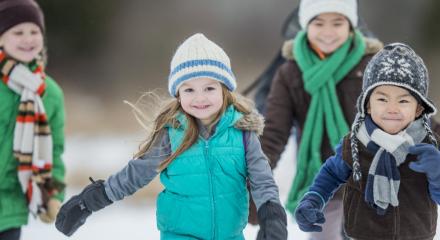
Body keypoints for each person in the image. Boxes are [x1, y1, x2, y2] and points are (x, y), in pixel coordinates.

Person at [256, 0, 440, 239]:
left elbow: (420, 122)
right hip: (335, 173)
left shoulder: (373, 66)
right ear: (306, 25)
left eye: (337, 22)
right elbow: (274, 133)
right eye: (319, 23)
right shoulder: (291, 73)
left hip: (391, 196)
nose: (328, 31)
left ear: (351, 26)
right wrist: (255, 191)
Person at [55, 33, 288, 240]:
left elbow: (262, 180)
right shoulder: (172, 133)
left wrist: (272, 216)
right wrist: (91, 200)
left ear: (225, 90)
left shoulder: (243, 133)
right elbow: (135, 174)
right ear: (178, 94)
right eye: (189, 89)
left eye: (209, 88)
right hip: (179, 233)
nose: (200, 98)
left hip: (230, 235)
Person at [294, 43, 440, 240]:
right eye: (382, 99)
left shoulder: (431, 148)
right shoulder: (355, 144)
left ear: (418, 109)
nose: (392, 108)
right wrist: (313, 199)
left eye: (403, 101)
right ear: (368, 105)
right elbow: (331, 173)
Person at [0, 0, 66, 239]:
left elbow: (55, 149)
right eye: (18, 32)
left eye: (34, 31)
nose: (28, 39)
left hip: (10, 206)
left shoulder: (50, 93)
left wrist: (53, 194)